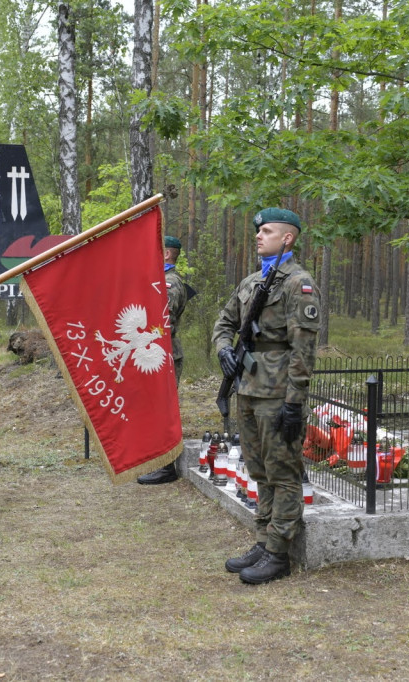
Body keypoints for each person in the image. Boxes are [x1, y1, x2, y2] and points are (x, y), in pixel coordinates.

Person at [212, 208, 320, 584]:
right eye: (258, 230)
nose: (259, 235)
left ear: (287, 238)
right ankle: (263, 539)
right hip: (248, 387)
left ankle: (279, 553)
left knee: (283, 472)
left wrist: (294, 402)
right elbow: (224, 322)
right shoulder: (250, 282)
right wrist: (224, 348)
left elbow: (303, 349)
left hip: (278, 393)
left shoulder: (298, 284)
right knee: (258, 468)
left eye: (268, 231)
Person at [137, 235, 189, 485]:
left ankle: (166, 466)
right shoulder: (158, 280)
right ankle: (153, 458)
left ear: (167, 254)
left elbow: (162, 321)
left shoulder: (170, 283)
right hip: (151, 353)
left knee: (163, 409)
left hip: (164, 353)